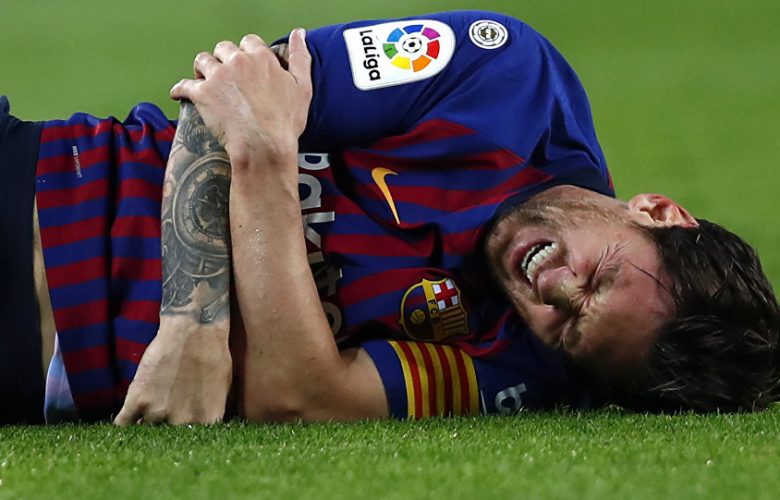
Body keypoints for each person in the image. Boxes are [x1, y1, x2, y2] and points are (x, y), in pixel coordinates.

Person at [1, 11, 777, 425]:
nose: (556, 291)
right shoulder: (505, 73)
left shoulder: (532, 372)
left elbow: (298, 396)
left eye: (572, 327)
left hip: (28, 374)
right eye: (599, 276)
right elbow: (231, 92)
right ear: (657, 211)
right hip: (38, 188)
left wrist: (267, 158)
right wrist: (193, 325)